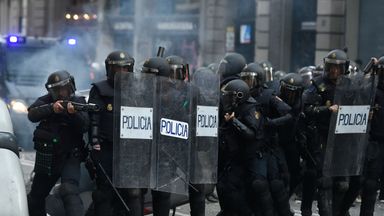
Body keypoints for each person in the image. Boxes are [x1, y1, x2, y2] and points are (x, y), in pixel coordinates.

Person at [27, 70, 89, 216]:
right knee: (36, 196)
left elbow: (84, 126)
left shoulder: (79, 102)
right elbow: (32, 114)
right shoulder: (46, 100)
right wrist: (52, 108)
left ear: (70, 87)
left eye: (64, 89)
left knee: (69, 190)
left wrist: (73, 115)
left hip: (70, 155)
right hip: (49, 156)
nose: (61, 93)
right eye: (57, 90)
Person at [88, 51, 142, 216]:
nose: (121, 73)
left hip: (130, 150)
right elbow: (94, 119)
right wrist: (95, 142)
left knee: (133, 192)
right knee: (104, 192)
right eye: (117, 69)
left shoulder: (138, 90)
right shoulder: (100, 89)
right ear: (109, 70)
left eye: (125, 69)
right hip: (107, 148)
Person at [302, 49, 349, 216]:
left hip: (343, 138)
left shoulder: (349, 84)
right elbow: (306, 109)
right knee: (324, 180)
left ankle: (340, 210)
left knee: (343, 182)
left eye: (338, 67)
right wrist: (326, 110)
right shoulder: (317, 85)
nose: (334, 70)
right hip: (321, 136)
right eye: (331, 66)